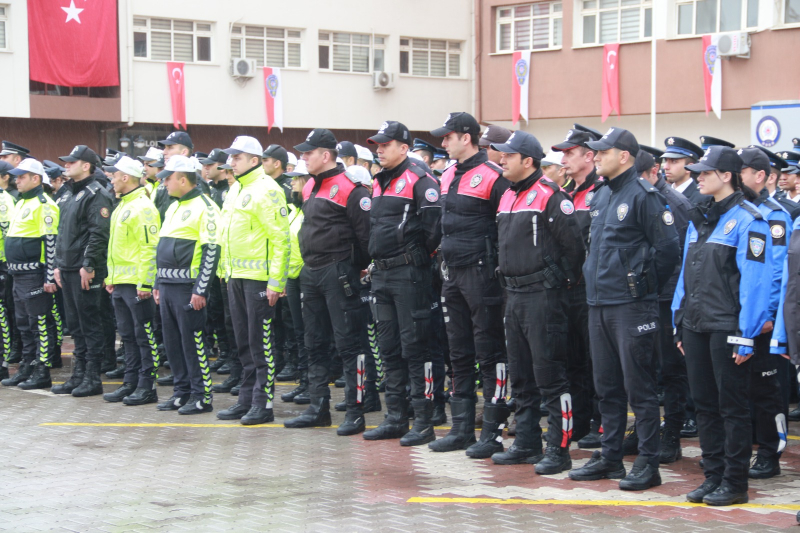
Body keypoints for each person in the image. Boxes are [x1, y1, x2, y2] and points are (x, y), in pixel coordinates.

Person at [568, 127, 680, 491]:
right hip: (599, 304)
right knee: (607, 387)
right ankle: (610, 457)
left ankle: (648, 463)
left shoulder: (643, 196)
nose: (596, 156)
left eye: (603, 152)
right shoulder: (601, 195)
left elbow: (667, 251)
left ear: (625, 156)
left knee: (640, 389)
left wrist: (641, 289)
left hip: (631, 307)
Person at [673, 146, 772, 506]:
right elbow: (685, 274)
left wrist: (746, 334)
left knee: (732, 407)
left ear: (726, 176)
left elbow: (755, 282)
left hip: (727, 327)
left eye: (704, 172)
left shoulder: (750, 220)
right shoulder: (700, 217)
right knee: (704, 405)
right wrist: (678, 321)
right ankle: (712, 477)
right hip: (696, 325)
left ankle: (735, 483)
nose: (697, 176)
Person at [490, 131, 584, 473]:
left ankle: (559, 449)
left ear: (527, 161)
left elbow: (574, 248)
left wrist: (557, 281)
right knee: (522, 377)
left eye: (508, 155)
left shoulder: (551, 196)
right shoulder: (506, 197)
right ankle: (526, 442)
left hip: (543, 297)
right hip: (513, 296)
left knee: (551, 377)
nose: (501, 159)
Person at [428, 112, 510, 456]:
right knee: (458, 353)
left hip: (482, 275)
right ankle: (461, 428)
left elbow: (505, 228)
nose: (443, 143)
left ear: (466, 137)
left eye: (448, 137)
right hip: (452, 274)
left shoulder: (493, 176)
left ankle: (492, 432)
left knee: (490, 352)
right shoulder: (447, 175)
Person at [283, 129, 371, 435]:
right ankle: (318, 408)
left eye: (309, 153)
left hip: (338, 273)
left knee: (349, 345)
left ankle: (356, 412)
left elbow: (365, 237)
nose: (303, 158)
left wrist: (351, 268)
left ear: (326, 155)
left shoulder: (351, 188)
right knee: (314, 343)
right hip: (311, 272)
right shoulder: (309, 187)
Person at [360, 121, 442, 445]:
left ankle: (423, 421)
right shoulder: (378, 182)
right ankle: (395, 417)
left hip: (409, 275)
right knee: (388, 348)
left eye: (386, 144)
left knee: (415, 348)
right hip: (381, 275)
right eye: (377, 144)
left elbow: (434, 230)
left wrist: (414, 258)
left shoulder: (421, 181)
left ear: (404, 148)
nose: (379, 149)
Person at [623, 146, 693, 464]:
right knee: (645, 368)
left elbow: (675, 257)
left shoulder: (672, 202)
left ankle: (672, 434)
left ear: (651, 174)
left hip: (666, 298)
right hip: (645, 295)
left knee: (671, 371)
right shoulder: (641, 197)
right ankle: (644, 430)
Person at [215, 136, 290, 425]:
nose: (231, 161)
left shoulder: (268, 190)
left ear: (254, 160)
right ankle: (246, 399)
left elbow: (280, 238)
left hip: (259, 280)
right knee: (243, 342)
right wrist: (225, 272)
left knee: (261, 344)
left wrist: (276, 281)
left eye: (237, 157)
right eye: (231, 157)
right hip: (235, 277)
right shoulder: (236, 189)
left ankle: (263, 403)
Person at [737, 147, 794, 479]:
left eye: (742, 171)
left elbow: (776, 272)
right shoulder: (737, 212)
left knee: (767, 390)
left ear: (760, 176)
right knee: (740, 390)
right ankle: (744, 450)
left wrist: (769, 314)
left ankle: (770, 453)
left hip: (764, 319)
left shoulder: (775, 216)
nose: (737, 176)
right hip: (741, 315)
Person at [153, 155, 221, 415]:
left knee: (193, 343)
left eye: (167, 178)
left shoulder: (206, 206)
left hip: (187, 286)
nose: (163, 183)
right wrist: (158, 281)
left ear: (183, 179)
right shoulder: (173, 206)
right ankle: (181, 393)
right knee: (173, 344)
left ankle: (201, 395)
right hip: (168, 284)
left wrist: (200, 289)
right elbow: (163, 247)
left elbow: (211, 251)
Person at [551, 125, 604, 447]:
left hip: (592, 291)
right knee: (572, 361)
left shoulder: (602, 192)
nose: (564, 159)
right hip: (565, 290)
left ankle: (601, 424)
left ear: (590, 155)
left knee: (597, 361)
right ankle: (580, 422)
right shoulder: (566, 193)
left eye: (570, 153)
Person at [51, 145, 113, 397]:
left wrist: (88, 265)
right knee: (76, 325)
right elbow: (61, 232)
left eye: (71, 162)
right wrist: (57, 264)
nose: (66, 165)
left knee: (90, 323)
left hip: (83, 270)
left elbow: (98, 234)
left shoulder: (95, 194)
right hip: (67, 267)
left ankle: (92, 376)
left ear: (86, 165)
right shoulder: (66, 193)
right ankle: (78, 374)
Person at [101, 156, 161, 405]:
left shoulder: (143, 207)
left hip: (137, 285)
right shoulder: (122, 205)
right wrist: (110, 277)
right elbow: (117, 248)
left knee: (144, 336)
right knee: (127, 336)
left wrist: (146, 283)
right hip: (121, 283)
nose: (111, 179)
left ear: (125, 177)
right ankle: (131, 382)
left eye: (114, 175)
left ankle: (147, 386)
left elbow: (150, 248)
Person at [1, 159, 58, 389]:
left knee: (40, 323)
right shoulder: (23, 202)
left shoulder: (44, 204)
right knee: (23, 323)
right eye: (16, 176)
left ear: (36, 178)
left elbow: (51, 242)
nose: (17, 180)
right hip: (18, 274)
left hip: (34, 273)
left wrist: (49, 278)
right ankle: (27, 364)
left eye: (22, 176)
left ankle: (42, 369)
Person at [280, 160, 311, 403]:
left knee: (310, 333)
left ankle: (312, 383)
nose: (292, 182)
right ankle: (304, 381)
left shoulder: (310, 208)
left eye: (296, 178)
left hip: (306, 276)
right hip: (292, 278)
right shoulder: (294, 210)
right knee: (298, 332)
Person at [663, 137, 707, 205]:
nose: (666, 167)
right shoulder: (661, 194)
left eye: (674, 161)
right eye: (666, 161)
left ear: (689, 168)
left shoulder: (703, 198)